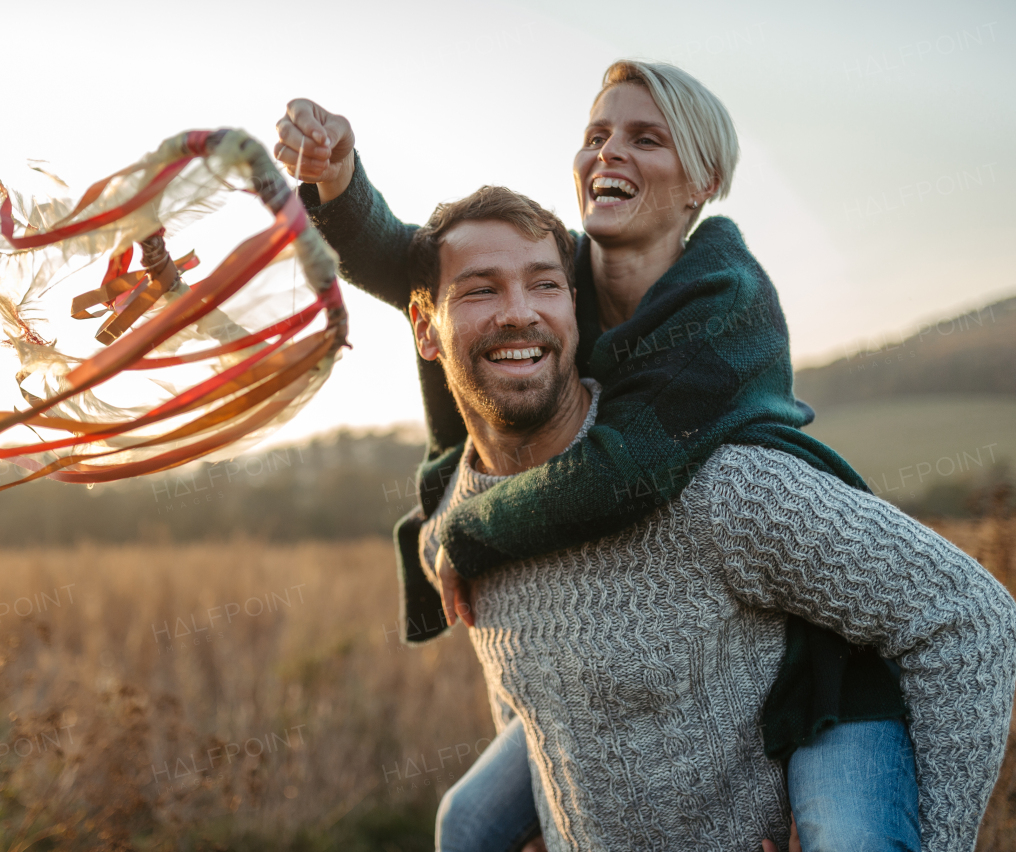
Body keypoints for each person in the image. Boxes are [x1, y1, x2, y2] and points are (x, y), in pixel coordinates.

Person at [272, 61, 1012, 851]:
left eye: (646, 138)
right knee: (465, 823)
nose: (609, 153)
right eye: (596, 135)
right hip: (632, 600)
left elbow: (628, 469)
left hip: (810, 644)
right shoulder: (562, 277)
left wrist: (468, 532)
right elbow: (416, 261)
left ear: (704, 181)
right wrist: (340, 182)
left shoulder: (728, 311)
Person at [405, 182, 1016, 850]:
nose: (519, 313)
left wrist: (936, 841)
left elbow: (967, 616)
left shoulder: (712, 485)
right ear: (424, 328)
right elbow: (526, 694)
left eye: (544, 284)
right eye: (479, 290)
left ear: (574, 308)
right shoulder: (459, 519)